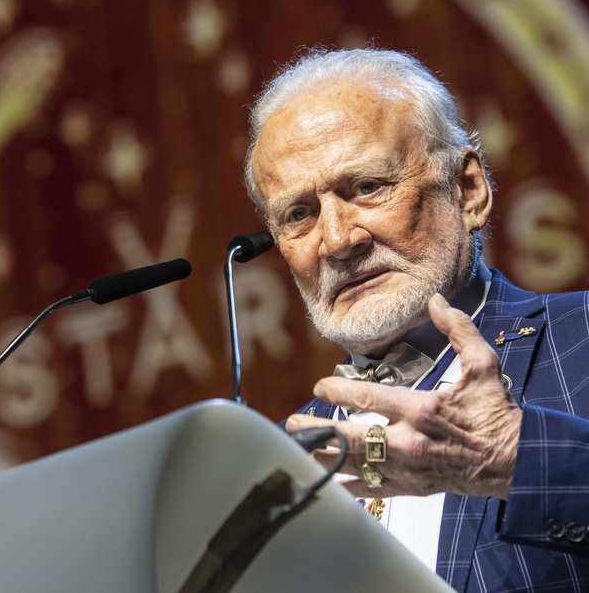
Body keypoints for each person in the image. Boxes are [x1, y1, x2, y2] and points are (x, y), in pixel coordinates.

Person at [243, 47, 589, 592]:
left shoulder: (582, 337)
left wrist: (512, 456)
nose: (337, 241)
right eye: (299, 214)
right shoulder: (280, 459)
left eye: (366, 187)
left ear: (468, 190)